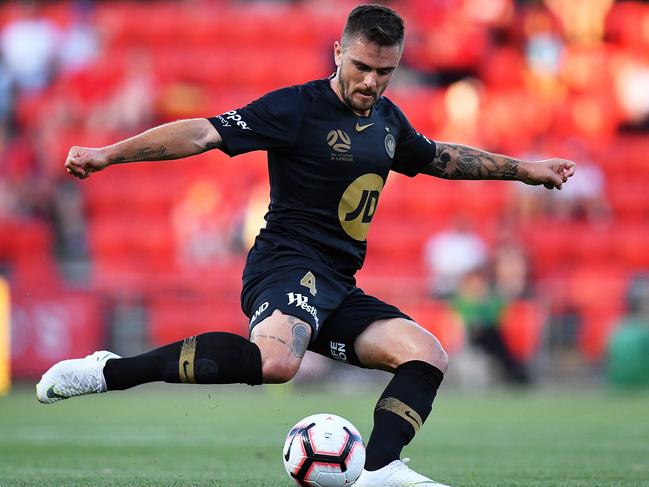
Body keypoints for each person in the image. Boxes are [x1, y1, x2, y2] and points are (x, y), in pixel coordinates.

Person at [36, 5, 576, 486]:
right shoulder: (297, 108)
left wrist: (524, 170)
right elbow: (203, 133)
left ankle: (381, 471)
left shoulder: (388, 120)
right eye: (361, 66)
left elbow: (441, 158)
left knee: (426, 354)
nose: (370, 81)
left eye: (384, 71)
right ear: (339, 52)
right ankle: (107, 371)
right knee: (277, 363)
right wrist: (109, 154)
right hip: (285, 265)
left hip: (337, 284)